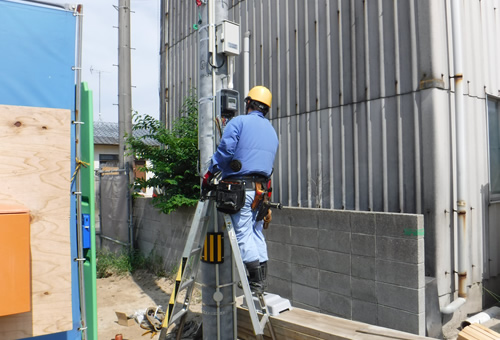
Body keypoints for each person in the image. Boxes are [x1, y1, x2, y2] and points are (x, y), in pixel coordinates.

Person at [202, 85, 279, 293]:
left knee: (243, 234)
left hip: (240, 190)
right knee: (256, 233)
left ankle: (254, 282)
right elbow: (267, 167)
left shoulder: (238, 122)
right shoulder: (272, 132)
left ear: (248, 103)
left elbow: (225, 151)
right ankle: (261, 280)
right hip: (261, 192)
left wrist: (209, 175)